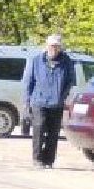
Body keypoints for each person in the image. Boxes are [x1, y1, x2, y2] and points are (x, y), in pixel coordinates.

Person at [24, 34, 76, 168]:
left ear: (60, 47)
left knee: (53, 133)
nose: (54, 49)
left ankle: (49, 160)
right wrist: (27, 102)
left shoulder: (67, 61)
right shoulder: (36, 61)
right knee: (39, 128)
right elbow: (28, 82)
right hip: (38, 101)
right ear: (47, 46)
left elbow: (70, 81)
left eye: (57, 46)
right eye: (52, 46)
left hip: (57, 103)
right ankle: (37, 159)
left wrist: (63, 96)